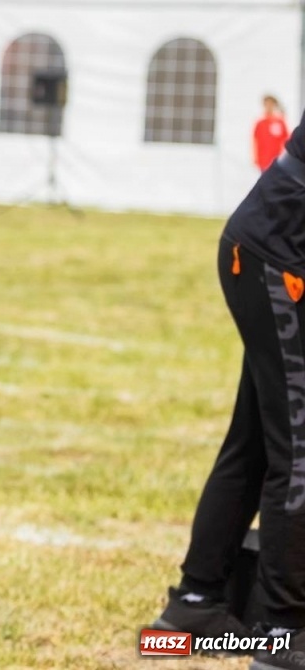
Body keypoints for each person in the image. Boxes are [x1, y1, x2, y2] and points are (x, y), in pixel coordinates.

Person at [150, 111, 305, 669]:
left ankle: (196, 604)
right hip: (279, 260)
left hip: (269, 253)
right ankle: (283, 636)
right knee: (299, 454)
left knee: (262, 441)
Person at [257, 96, 289, 172]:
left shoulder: (279, 122)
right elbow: (256, 141)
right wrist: (257, 159)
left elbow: (286, 139)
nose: (269, 107)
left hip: (278, 160)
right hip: (264, 160)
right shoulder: (260, 123)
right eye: (266, 104)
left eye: (271, 104)